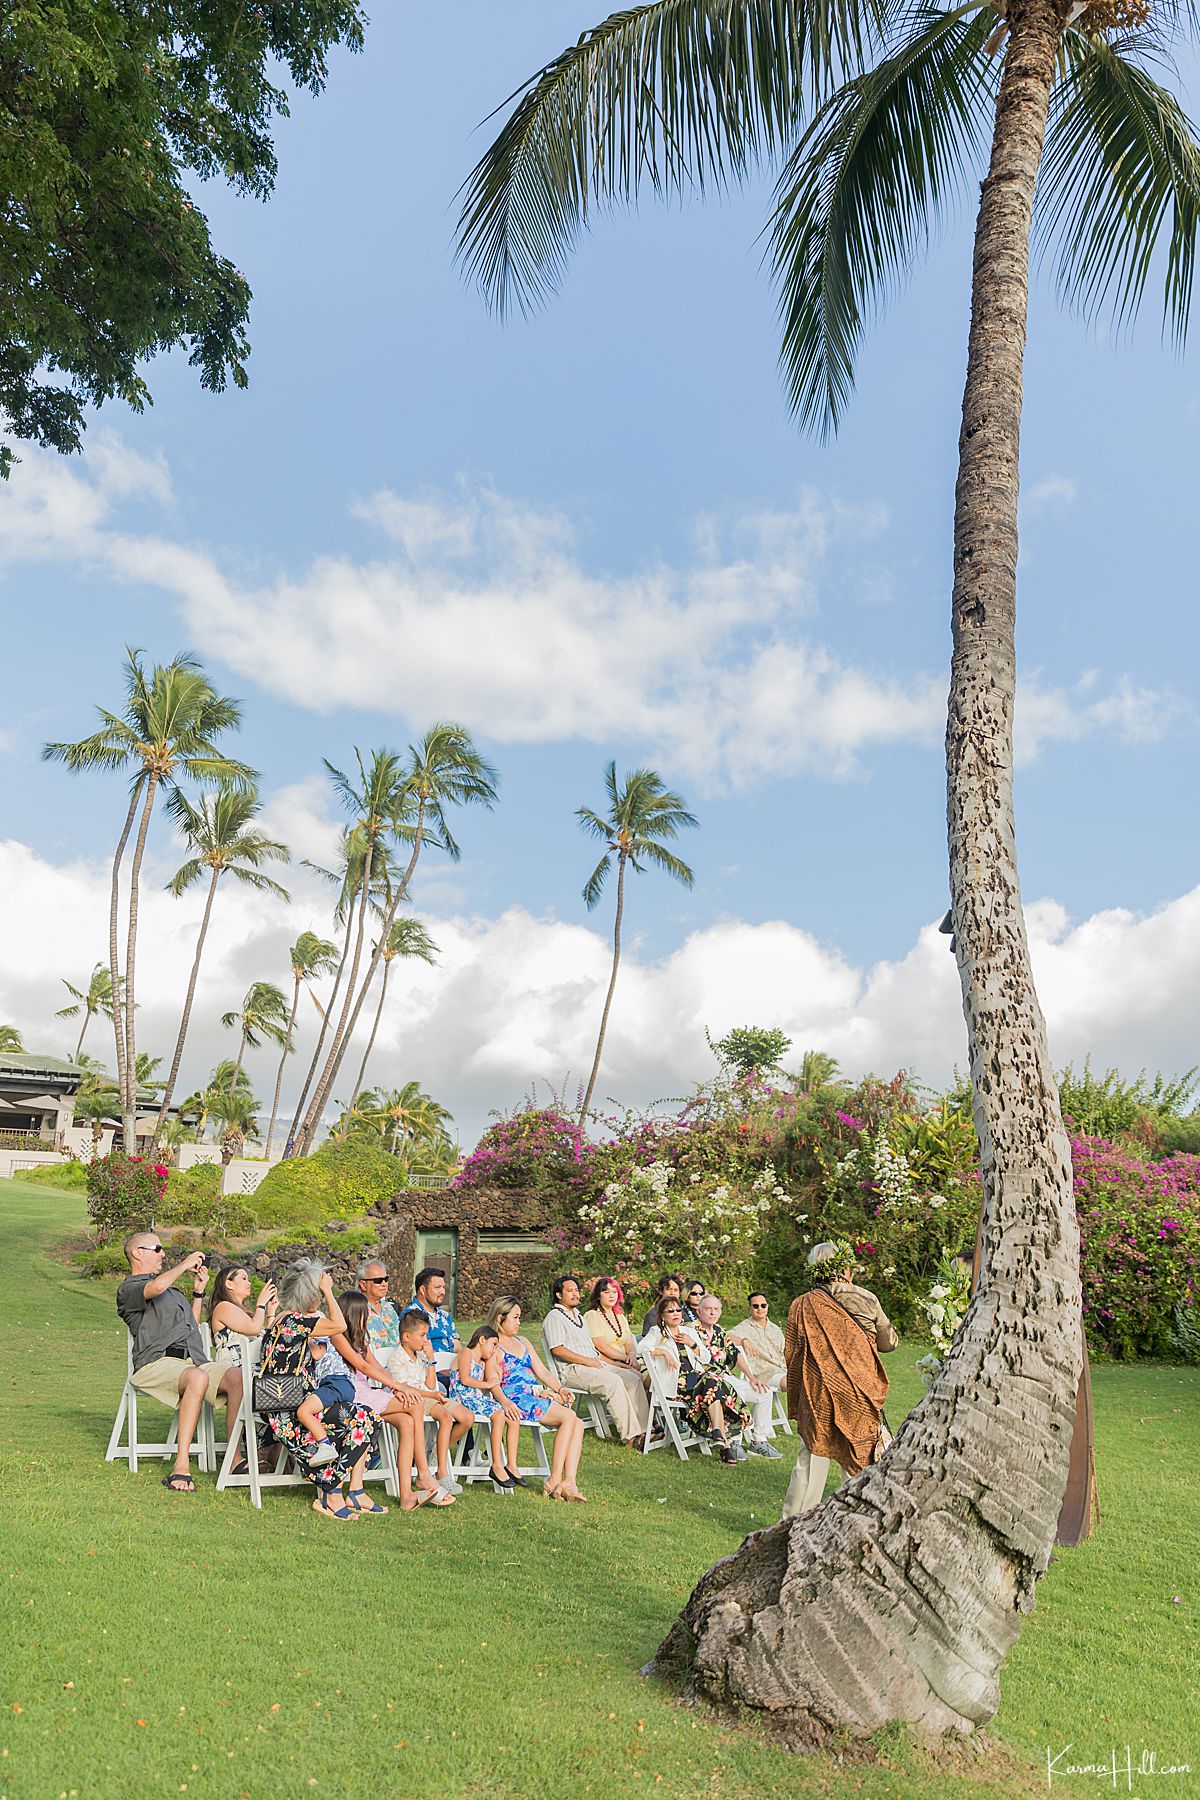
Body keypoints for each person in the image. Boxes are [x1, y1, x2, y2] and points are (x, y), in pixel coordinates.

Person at [117, 1233, 244, 1495]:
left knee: (238, 1378)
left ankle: (235, 1460)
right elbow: (155, 1289)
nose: (163, 1254)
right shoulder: (129, 1288)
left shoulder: (172, 1292)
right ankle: (181, 1466)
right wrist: (185, 1264)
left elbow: (192, 1327)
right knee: (197, 1377)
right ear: (138, 1253)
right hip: (155, 1362)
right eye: (158, 1248)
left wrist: (198, 1292)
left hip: (192, 1360)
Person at [781, 1241, 898, 1520]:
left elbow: (794, 1354)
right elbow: (889, 1342)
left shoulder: (802, 1304)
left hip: (817, 1391)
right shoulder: (866, 1299)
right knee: (859, 1456)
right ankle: (856, 1521)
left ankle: (792, 1524)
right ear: (845, 1268)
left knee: (811, 1460)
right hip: (859, 1391)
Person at [258, 1259, 379, 1522]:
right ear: (311, 1296)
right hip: (283, 1407)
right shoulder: (296, 1321)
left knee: (366, 1417)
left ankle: (336, 1490)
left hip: (291, 1400)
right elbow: (340, 1326)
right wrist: (328, 1291)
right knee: (353, 1418)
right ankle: (332, 1493)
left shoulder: (285, 1318)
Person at [330, 1291, 454, 1510]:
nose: (367, 1318)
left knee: (407, 1422)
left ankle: (406, 1495)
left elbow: (377, 1367)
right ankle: (423, 1474)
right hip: (351, 1394)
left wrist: (396, 1388)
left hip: (368, 1393)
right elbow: (364, 1367)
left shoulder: (362, 1341)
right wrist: (400, 1387)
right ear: (353, 1314)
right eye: (364, 1314)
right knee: (415, 1404)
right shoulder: (338, 1336)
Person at [489, 1296, 588, 1501]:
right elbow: (493, 1382)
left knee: (578, 1423)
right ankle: (554, 1479)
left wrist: (560, 1389)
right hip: (516, 1401)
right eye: (515, 1318)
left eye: (520, 1317)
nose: (519, 1322)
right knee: (569, 1417)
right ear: (500, 1318)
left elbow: (541, 1371)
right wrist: (505, 1402)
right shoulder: (494, 1346)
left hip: (533, 1395)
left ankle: (569, 1482)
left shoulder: (522, 1341)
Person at [544, 1275, 651, 1447]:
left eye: (576, 1291)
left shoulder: (579, 1317)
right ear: (558, 1295)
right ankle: (632, 1437)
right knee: (613, 1382)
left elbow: (595, 1353)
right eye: (569, 1291)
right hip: (572, 1370)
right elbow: (558, 1349)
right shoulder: (554, 1317)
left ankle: (647, 1431)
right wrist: (587, 1361)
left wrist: (622, 1366)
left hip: (594, 1365)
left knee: (633, 1379)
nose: (575, 1294)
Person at [641, 1298, 749, 1464]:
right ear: (662, 1315)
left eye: (678, 1310)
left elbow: (706, 1358)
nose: (675, 1314)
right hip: (675, 1383)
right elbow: (641, 1349)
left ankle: (720, 1436)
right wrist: (663, 1352)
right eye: (670, 1311)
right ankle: (724, 1442)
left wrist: (692, 1344)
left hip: (695, 1380)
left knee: (712, 1387)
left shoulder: (688, 1332)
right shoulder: (657, 1332)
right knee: (713, 1383)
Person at [386, 1308, 473, 1494]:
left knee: (467, 1417)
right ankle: (442, 1472)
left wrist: (431, 1359)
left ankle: (435, 1451)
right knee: (446, 1418)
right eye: (423, 1335)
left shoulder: (422, 1357)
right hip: (415, 1400)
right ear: (407, 1336)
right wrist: (433, 1396)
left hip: (430, 1396)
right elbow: (405, 1389)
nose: (426, 1340)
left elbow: (431, 1384)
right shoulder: (397, 1359)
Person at [693, 1293, 780, 1458]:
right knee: (734, 1392)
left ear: (720, 1312)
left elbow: (735, 1354)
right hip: (706, 1382)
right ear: (699, 1312)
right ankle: (734, 1442)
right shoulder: (692, 1330)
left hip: (726, 1377)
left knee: (764, 1392)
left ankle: (759, 1441)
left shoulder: (719, 1331)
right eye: (708, 1309)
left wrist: (751, 1377)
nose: (712, 1313)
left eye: (716, 1309)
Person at [448, 1325, 524, 1492]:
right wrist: (488, 1384)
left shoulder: (482, 1364)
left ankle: (511, 1464)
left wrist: (497, 1377)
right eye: (494, 1345)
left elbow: (483, 1390)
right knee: (498, 1415)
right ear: (482, 1340)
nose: (495, 1350)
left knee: (511, 1417)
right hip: (461, 1399)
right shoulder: (466, 1353)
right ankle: (496, 1465)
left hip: (476, 1399)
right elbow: (466, 1380)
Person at [728, 1290, 787, 1447]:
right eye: (755, 1306)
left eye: (763, 1305)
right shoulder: (745, 1327)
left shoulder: (775, 1328)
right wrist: (744, 1340)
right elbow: (725, 1336)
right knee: (796, 1384)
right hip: (764, 1373)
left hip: (782, 1368)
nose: (760, 1308)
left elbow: (785, 1351)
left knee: (808, 1380)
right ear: (750, 1308)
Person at [207, 1265, 278, 1362]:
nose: (249, 1283)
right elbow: (255, 1328)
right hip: (235, 1368)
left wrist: (271, 1313)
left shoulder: (246, 1313)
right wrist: (261, 1304)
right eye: (244, 1278)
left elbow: (269, 1339)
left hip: (255, 1367)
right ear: (229, 1284)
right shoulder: (223, 1307)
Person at [402, 1266, 462, 1375]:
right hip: (430, 1373)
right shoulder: (411, 1316)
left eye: (443, 1287)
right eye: (437, 1287)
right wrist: (453, 1374)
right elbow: (421, 1352)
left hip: (453, 1371)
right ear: (423, 1290)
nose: (442, 1292)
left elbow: (457, 1347)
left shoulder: (445, 1316)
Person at [357, 1261, 402, 1360]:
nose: (384, 1284)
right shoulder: (357, 1309)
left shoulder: (389, 1308)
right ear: (363, 1285)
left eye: (386, 1279)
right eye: (378, 1280)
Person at [639, 1273, 683, 1339]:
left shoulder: (683, 1313)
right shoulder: (652, 1315)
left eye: (676, 1290)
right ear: (661, 1291)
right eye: (668, 1289)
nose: (672, 1293)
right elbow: (648, 1343)